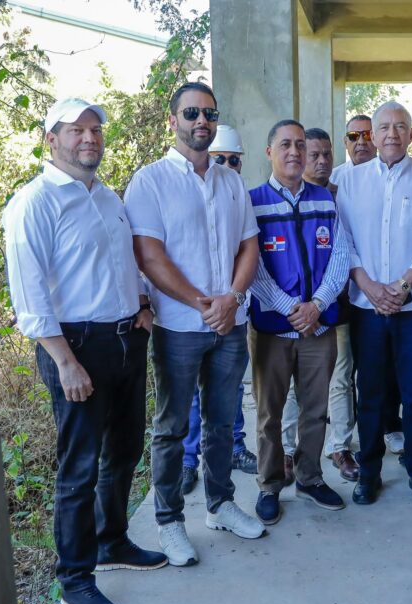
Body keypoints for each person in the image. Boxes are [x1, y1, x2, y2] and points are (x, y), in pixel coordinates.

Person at [4, 97, 167, 604]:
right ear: (50, 138)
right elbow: (29, 298)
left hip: (124, 340)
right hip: (75, 348)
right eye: (76, 130)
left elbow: (121, 263)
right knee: (78, 470)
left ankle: (112, 540)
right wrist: (65, 361)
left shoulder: (107, 196)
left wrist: (142, 304)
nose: (89, 138)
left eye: (94, 129)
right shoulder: (34, 202)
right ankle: (75, 578)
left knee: (123, 451)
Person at [125, 82, 265, 569]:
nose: (201, 121)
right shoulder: (150, 181)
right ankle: (168, 521)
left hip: (230, 321)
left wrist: (233, 298)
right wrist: (203, 302)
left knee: (223, 421)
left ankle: (221, 504)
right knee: (171, 426)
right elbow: (149, 253)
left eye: (209, 113)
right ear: (173, 120)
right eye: (191, 113)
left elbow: (249, 245)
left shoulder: (230, 182)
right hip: (180, 326)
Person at [336, 101, 412, 506]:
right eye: (382, 127)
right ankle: (368, 473)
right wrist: (368, 284)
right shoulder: (350, 181)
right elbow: (342, 239)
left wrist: (403, 285)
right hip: (367, 307)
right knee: (370, 393)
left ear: (411, 134)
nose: (390, 134)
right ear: (371, 134)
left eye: (399, 127)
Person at [248, 120, 351, 524]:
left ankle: (309, 477)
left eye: (300, 146)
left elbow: (341, 255)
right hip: (274, 329)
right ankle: (270, 484)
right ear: (269, 151)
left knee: (315, 409)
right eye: (285, 145)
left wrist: (318, 305)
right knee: (270, 414)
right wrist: (291, 307)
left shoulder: (325, 200)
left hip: (319, 328)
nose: (294, 152)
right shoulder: (253, 202)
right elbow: (251, 264)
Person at [181, 123, 257, 496]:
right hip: (191, 316)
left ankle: (235, 451)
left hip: (234, 313)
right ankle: (187, 460)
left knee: (229, 393)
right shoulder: (183, 191)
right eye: (220, 158)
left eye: (234, 159)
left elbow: (249, 251)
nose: (227, 164)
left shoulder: (238, 192)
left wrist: (234, 299)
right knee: (192, 397)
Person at [329, 114, 407, 458]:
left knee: (385, 369)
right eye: (353, 135)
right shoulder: (337, 180)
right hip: (347, 296)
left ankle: (391, 426)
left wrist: (390, 288)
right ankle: (345, 444)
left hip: (388, 294)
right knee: (349, 374)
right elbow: (343, 239)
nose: (360, 140)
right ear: (345, 142)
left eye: (365, 133)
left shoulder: (400, 177)